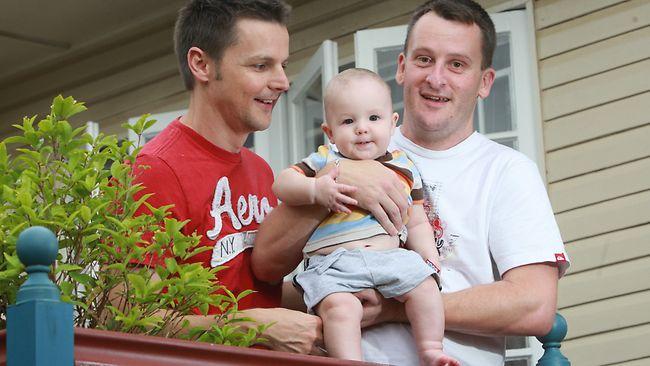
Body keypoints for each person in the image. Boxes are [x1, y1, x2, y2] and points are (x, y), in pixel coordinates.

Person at [252, 0, 570, 364]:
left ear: (484, 83)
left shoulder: (507, 170)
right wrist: (341, 180)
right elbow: (266, 268)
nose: (436, 78)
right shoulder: (343, 150)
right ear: (402, 67)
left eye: (457, 64)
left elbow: (534, 306)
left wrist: (394, 307)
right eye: (423, 59)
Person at [130, 0, 323, 354]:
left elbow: (252, 290)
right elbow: (129, 317)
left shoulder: (260, 170)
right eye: (261, 65)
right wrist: (252, 326)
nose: (282, 81)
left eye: (283, 65)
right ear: (201, 64)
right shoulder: (154, 169)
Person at [272, 69, 459, 366]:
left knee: (425, 288)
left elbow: (417, 219)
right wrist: (314, 189)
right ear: (330, 132)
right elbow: (281, 183)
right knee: (339, 310)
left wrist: (428, 255)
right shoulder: (326, 161)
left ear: (392, 123)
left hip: (390, 258)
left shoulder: (403, 166)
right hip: (334, 264)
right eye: (348, 121)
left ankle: (431, 347)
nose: (362, 129)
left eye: (373, 118)